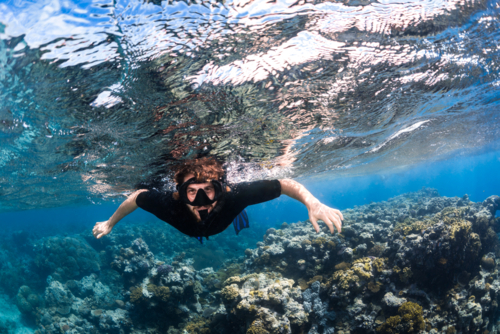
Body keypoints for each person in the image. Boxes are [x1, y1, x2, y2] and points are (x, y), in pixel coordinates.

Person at [93, 157, 343, 242]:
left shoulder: (235, 196)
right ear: (180, 193)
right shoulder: (169, 202)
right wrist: (110, 222)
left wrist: (313, 203)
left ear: (220, 190)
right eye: (192, 191)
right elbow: (137, 197)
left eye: (208, 191)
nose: (201, 200)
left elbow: (284, 184)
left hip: (229, 213)